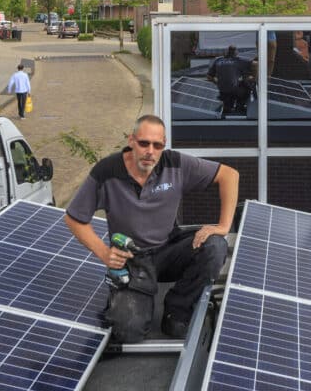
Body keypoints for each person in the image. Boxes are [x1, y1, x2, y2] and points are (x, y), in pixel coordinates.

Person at [64, 114, 239, 340]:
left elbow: (229, 175)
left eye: (157, 145)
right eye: (144, 143)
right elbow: (74, 218)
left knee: (215, 246)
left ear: (163, 146)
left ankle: (177, 311)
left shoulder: (175, 164)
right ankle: (125, 300)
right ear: (131, 141)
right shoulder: (107, 172)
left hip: (169, 250)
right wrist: (104, 253)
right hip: (134, 260)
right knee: (128, 332)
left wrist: (223, 226)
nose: (150, 151)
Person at [206, 46, 252, 116]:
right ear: (235, 53)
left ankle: (228, 105)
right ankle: (240, 106)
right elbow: (255, 64)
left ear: (227, 52)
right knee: (247, 85)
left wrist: (217, 82)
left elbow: (209, 77)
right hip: (233, 90)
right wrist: (254, 77)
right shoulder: (238, 60)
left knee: (231, 88)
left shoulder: (218, 60)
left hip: (222, 91)